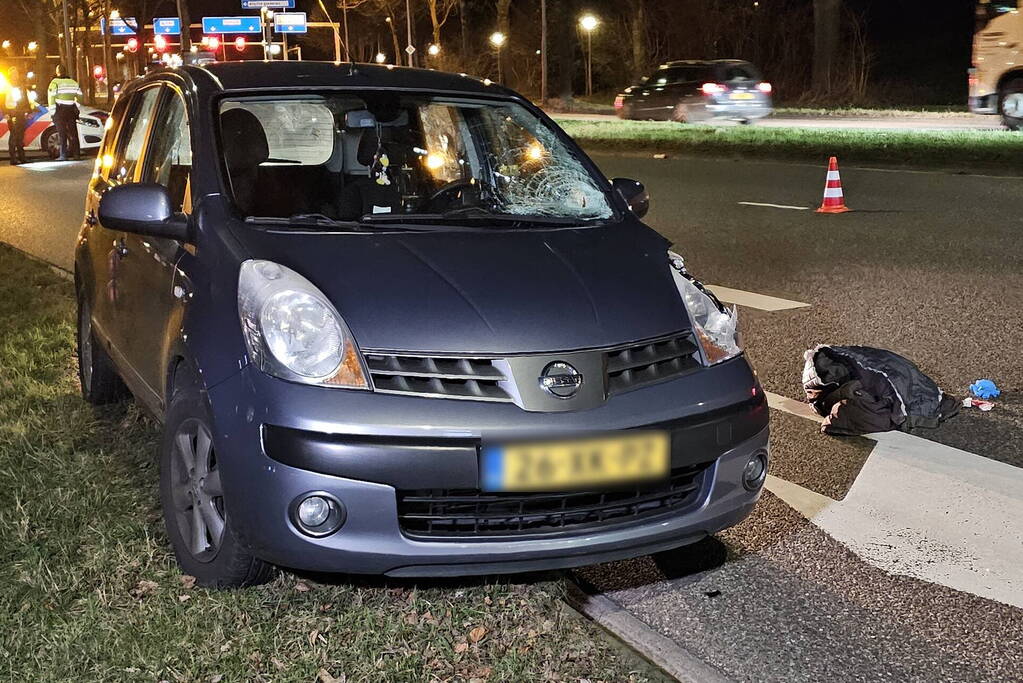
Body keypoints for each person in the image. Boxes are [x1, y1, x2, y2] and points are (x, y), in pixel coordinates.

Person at [47, 64, 82, 161]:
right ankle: (76, 154)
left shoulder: (54, 83)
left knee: (62, 134)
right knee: (73, 133)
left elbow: (51, 98)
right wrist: (76, 105)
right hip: (71, 111)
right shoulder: (73, 82)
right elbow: (80, 96)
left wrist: (53, 112)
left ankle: (63, 155)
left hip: (60, 111)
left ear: (57, 72)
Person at [2, 67, 32, 165]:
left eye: (16, 73)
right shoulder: (6, 86)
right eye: (13, 74)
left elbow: (25, 98)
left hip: (20, 112)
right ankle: (13, 159)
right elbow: (1, 101)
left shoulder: (21, 85)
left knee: (20, 136)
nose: (15, 76)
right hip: (12, 112)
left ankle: (22, 157)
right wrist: (5, 112)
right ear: (10, 75)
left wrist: (29, 110)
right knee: (14, 136)